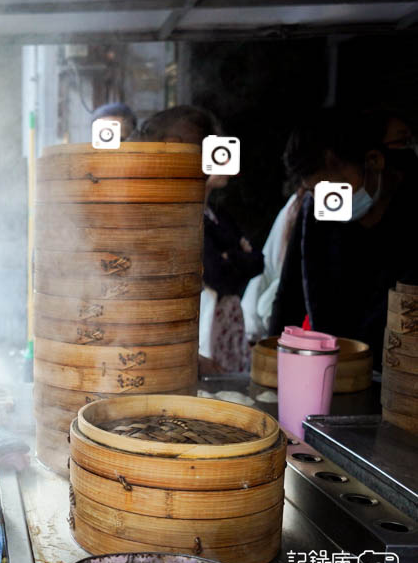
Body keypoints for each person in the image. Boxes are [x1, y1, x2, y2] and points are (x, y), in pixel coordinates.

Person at [243, 111, 416, 343]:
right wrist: (276, 358)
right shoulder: (313, 212)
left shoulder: (410, 211)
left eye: (334, 190)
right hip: (333, 362)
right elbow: (289, 297)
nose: (326, 202)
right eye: (315, 191)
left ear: (374, 161)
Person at [134, 105, 263, 373]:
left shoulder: (205, 215)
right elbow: (214, 271)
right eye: (206, 150)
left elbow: (254, 263)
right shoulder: (147, 216)